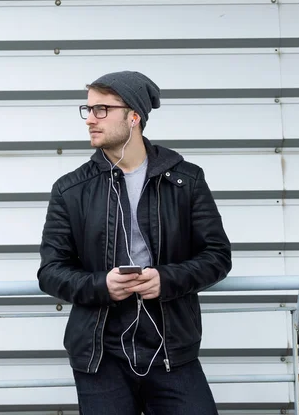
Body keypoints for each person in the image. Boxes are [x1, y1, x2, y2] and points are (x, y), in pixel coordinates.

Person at [38, 70, 232, 414]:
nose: (90, 120)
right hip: (101, 355)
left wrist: (166, 279)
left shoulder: (185, 181)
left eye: (102, 110)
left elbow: (217, 256)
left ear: (133, 116)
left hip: (172, 350)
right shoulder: (71, 189)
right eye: (88, 109)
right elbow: (51, 271)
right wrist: (102, 285)